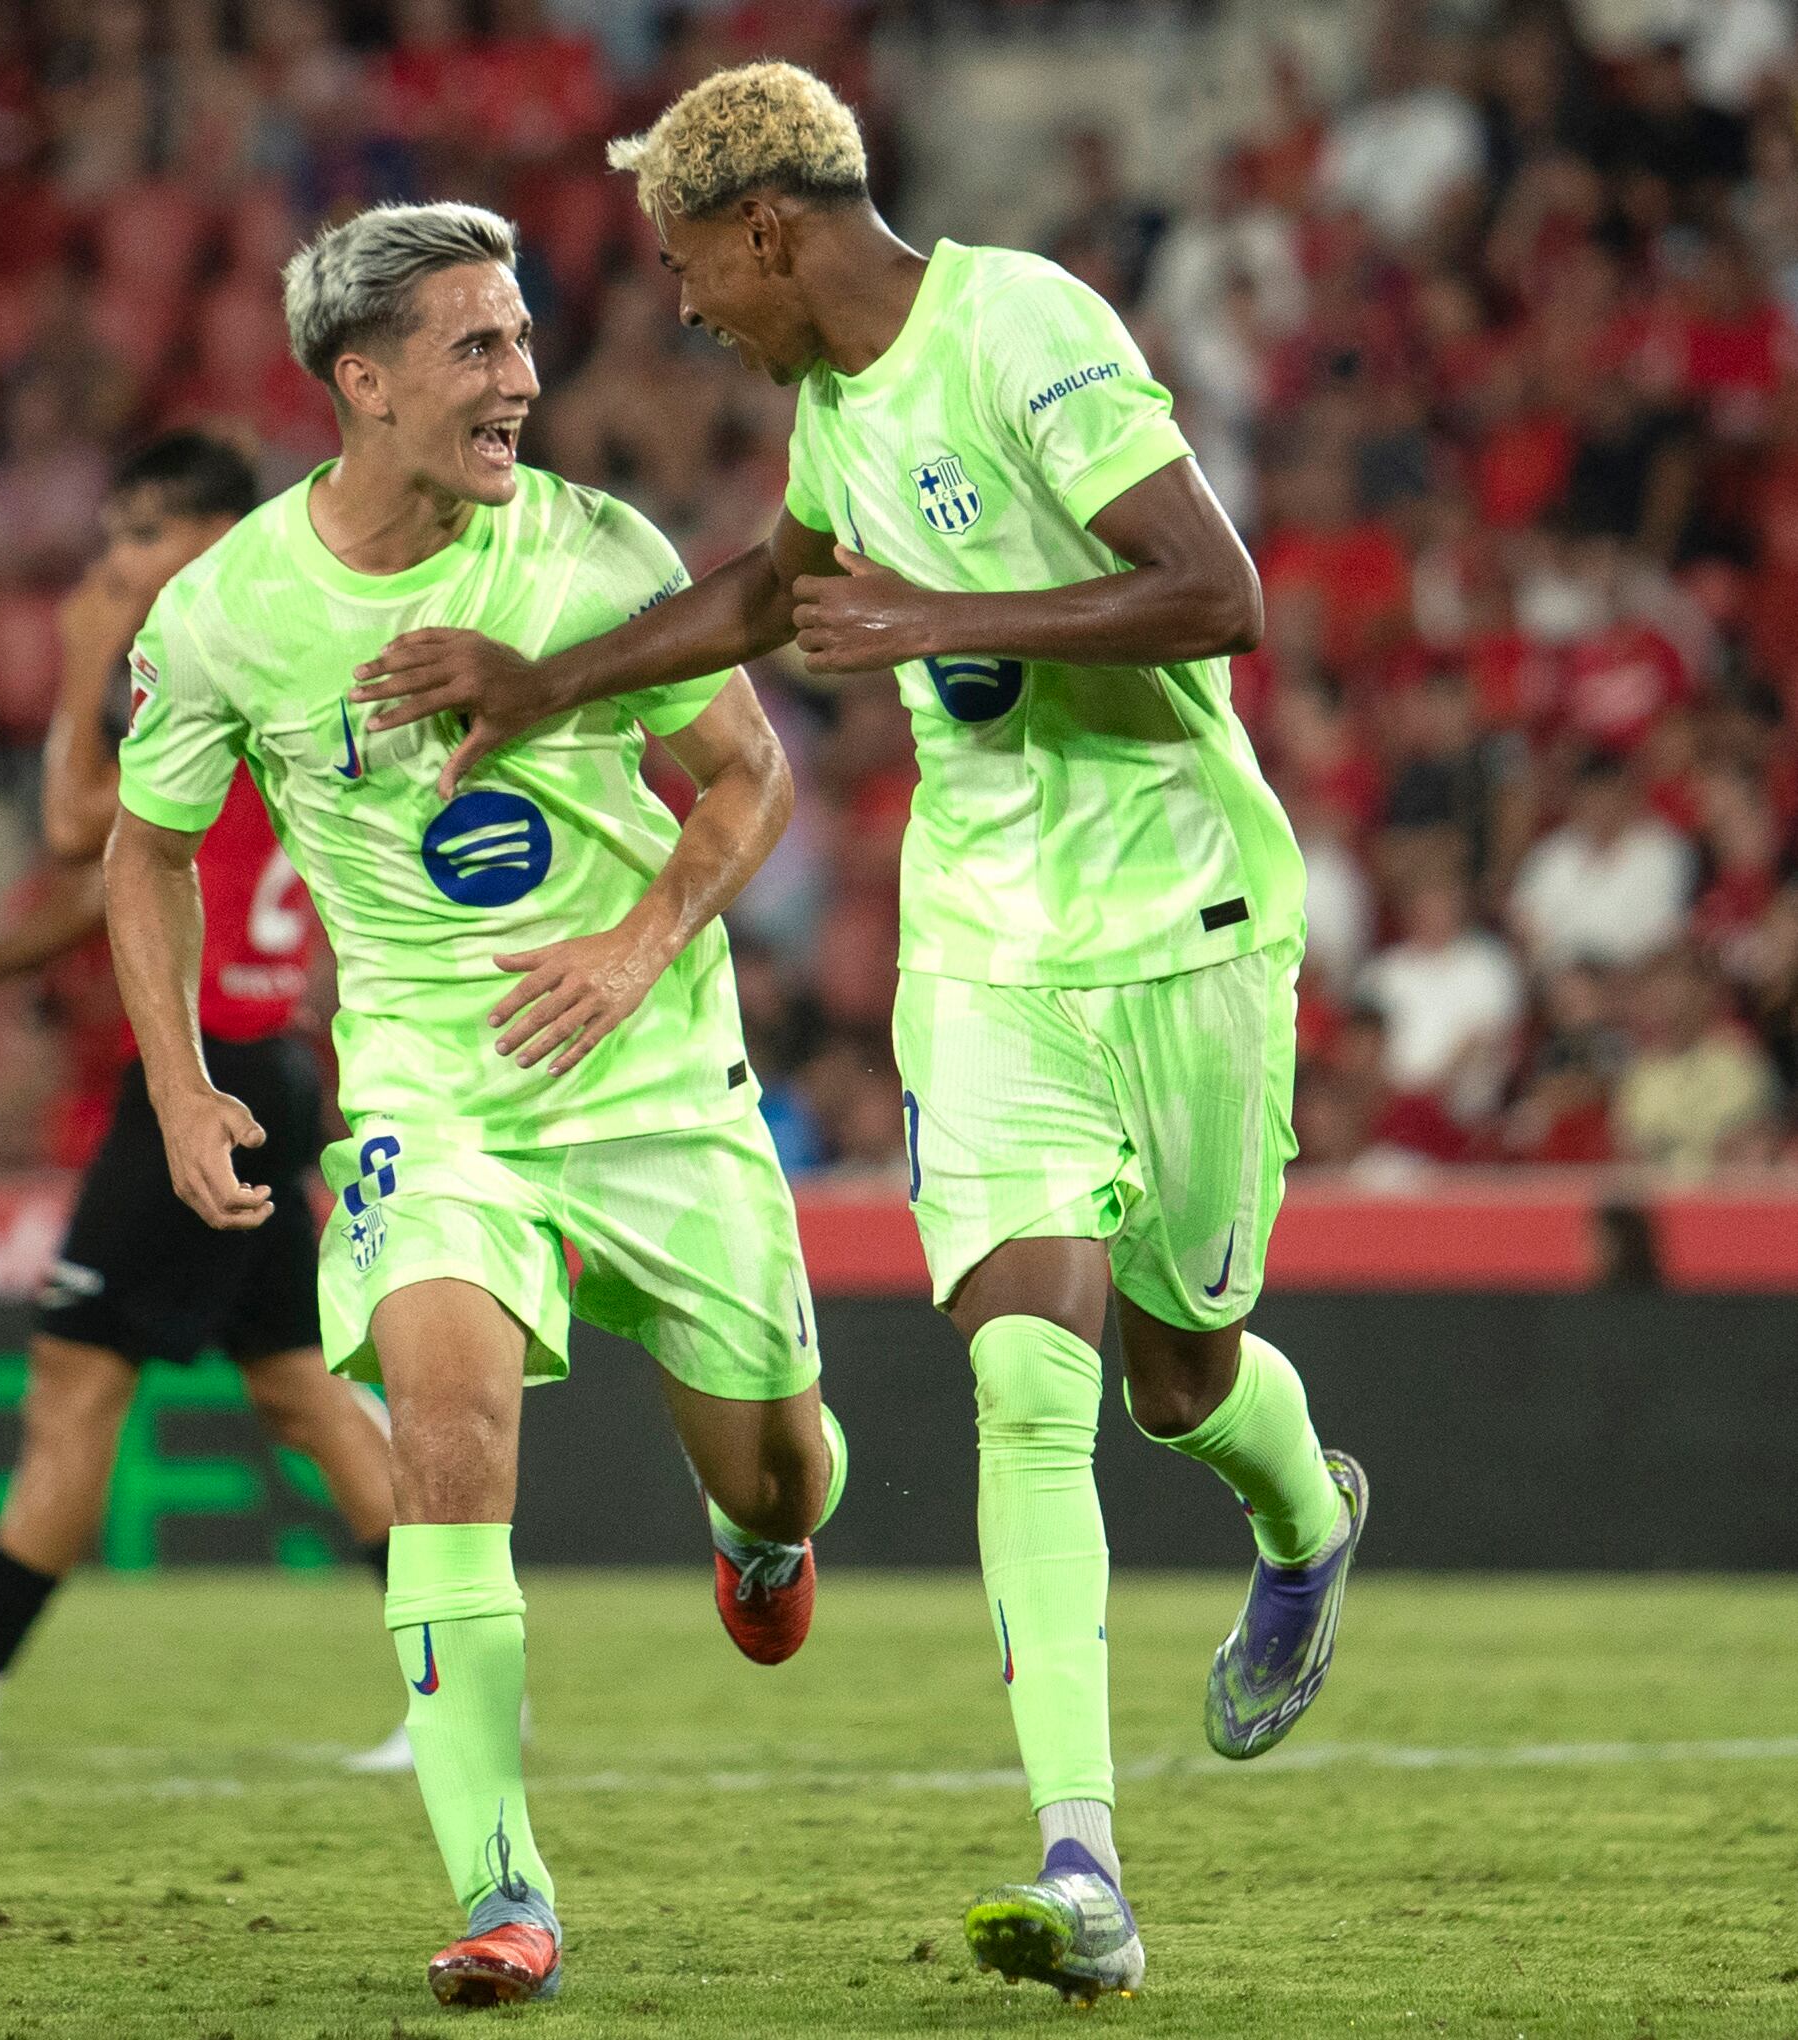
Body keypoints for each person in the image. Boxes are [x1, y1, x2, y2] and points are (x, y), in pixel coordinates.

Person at [347, 64, 1369, 2004]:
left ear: (763, 228)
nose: (677, 307)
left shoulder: (1019, 325)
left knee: (1177, 1374)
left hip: (1187, 921)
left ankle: (1305, 1519)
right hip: (985, 942)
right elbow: (770, 587)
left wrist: (937, 616)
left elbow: (1212, 595)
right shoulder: (831, 411)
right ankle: (1083, 1870)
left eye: (681, 264)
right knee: (1024, 1382)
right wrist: (543, 681)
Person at [104, 202, 845, 2009]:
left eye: (522, 343)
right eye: (478, 349)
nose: (523, 380)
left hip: (658, 1076)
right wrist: (184, 1084)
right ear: (360, 383)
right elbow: (148, 851)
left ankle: (762, 1537)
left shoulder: (595, 556)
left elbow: (751, 776)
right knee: (445, 1436)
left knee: (778, 1459)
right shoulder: (229, 615)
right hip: (433, 1090)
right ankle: (505, 1890)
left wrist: (641, 935)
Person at [0, 433, 400, 1773]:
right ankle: (465, 1678)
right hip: (263, 1064)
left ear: (214, 535)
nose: (112, 570)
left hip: (209, 1073)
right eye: (110, 543)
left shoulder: (221, 651)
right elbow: (129, 875)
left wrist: (77, 657)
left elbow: (71, 827)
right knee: (298, 1393)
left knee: (75, 1384)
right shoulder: (290, 644)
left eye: (136, 540)